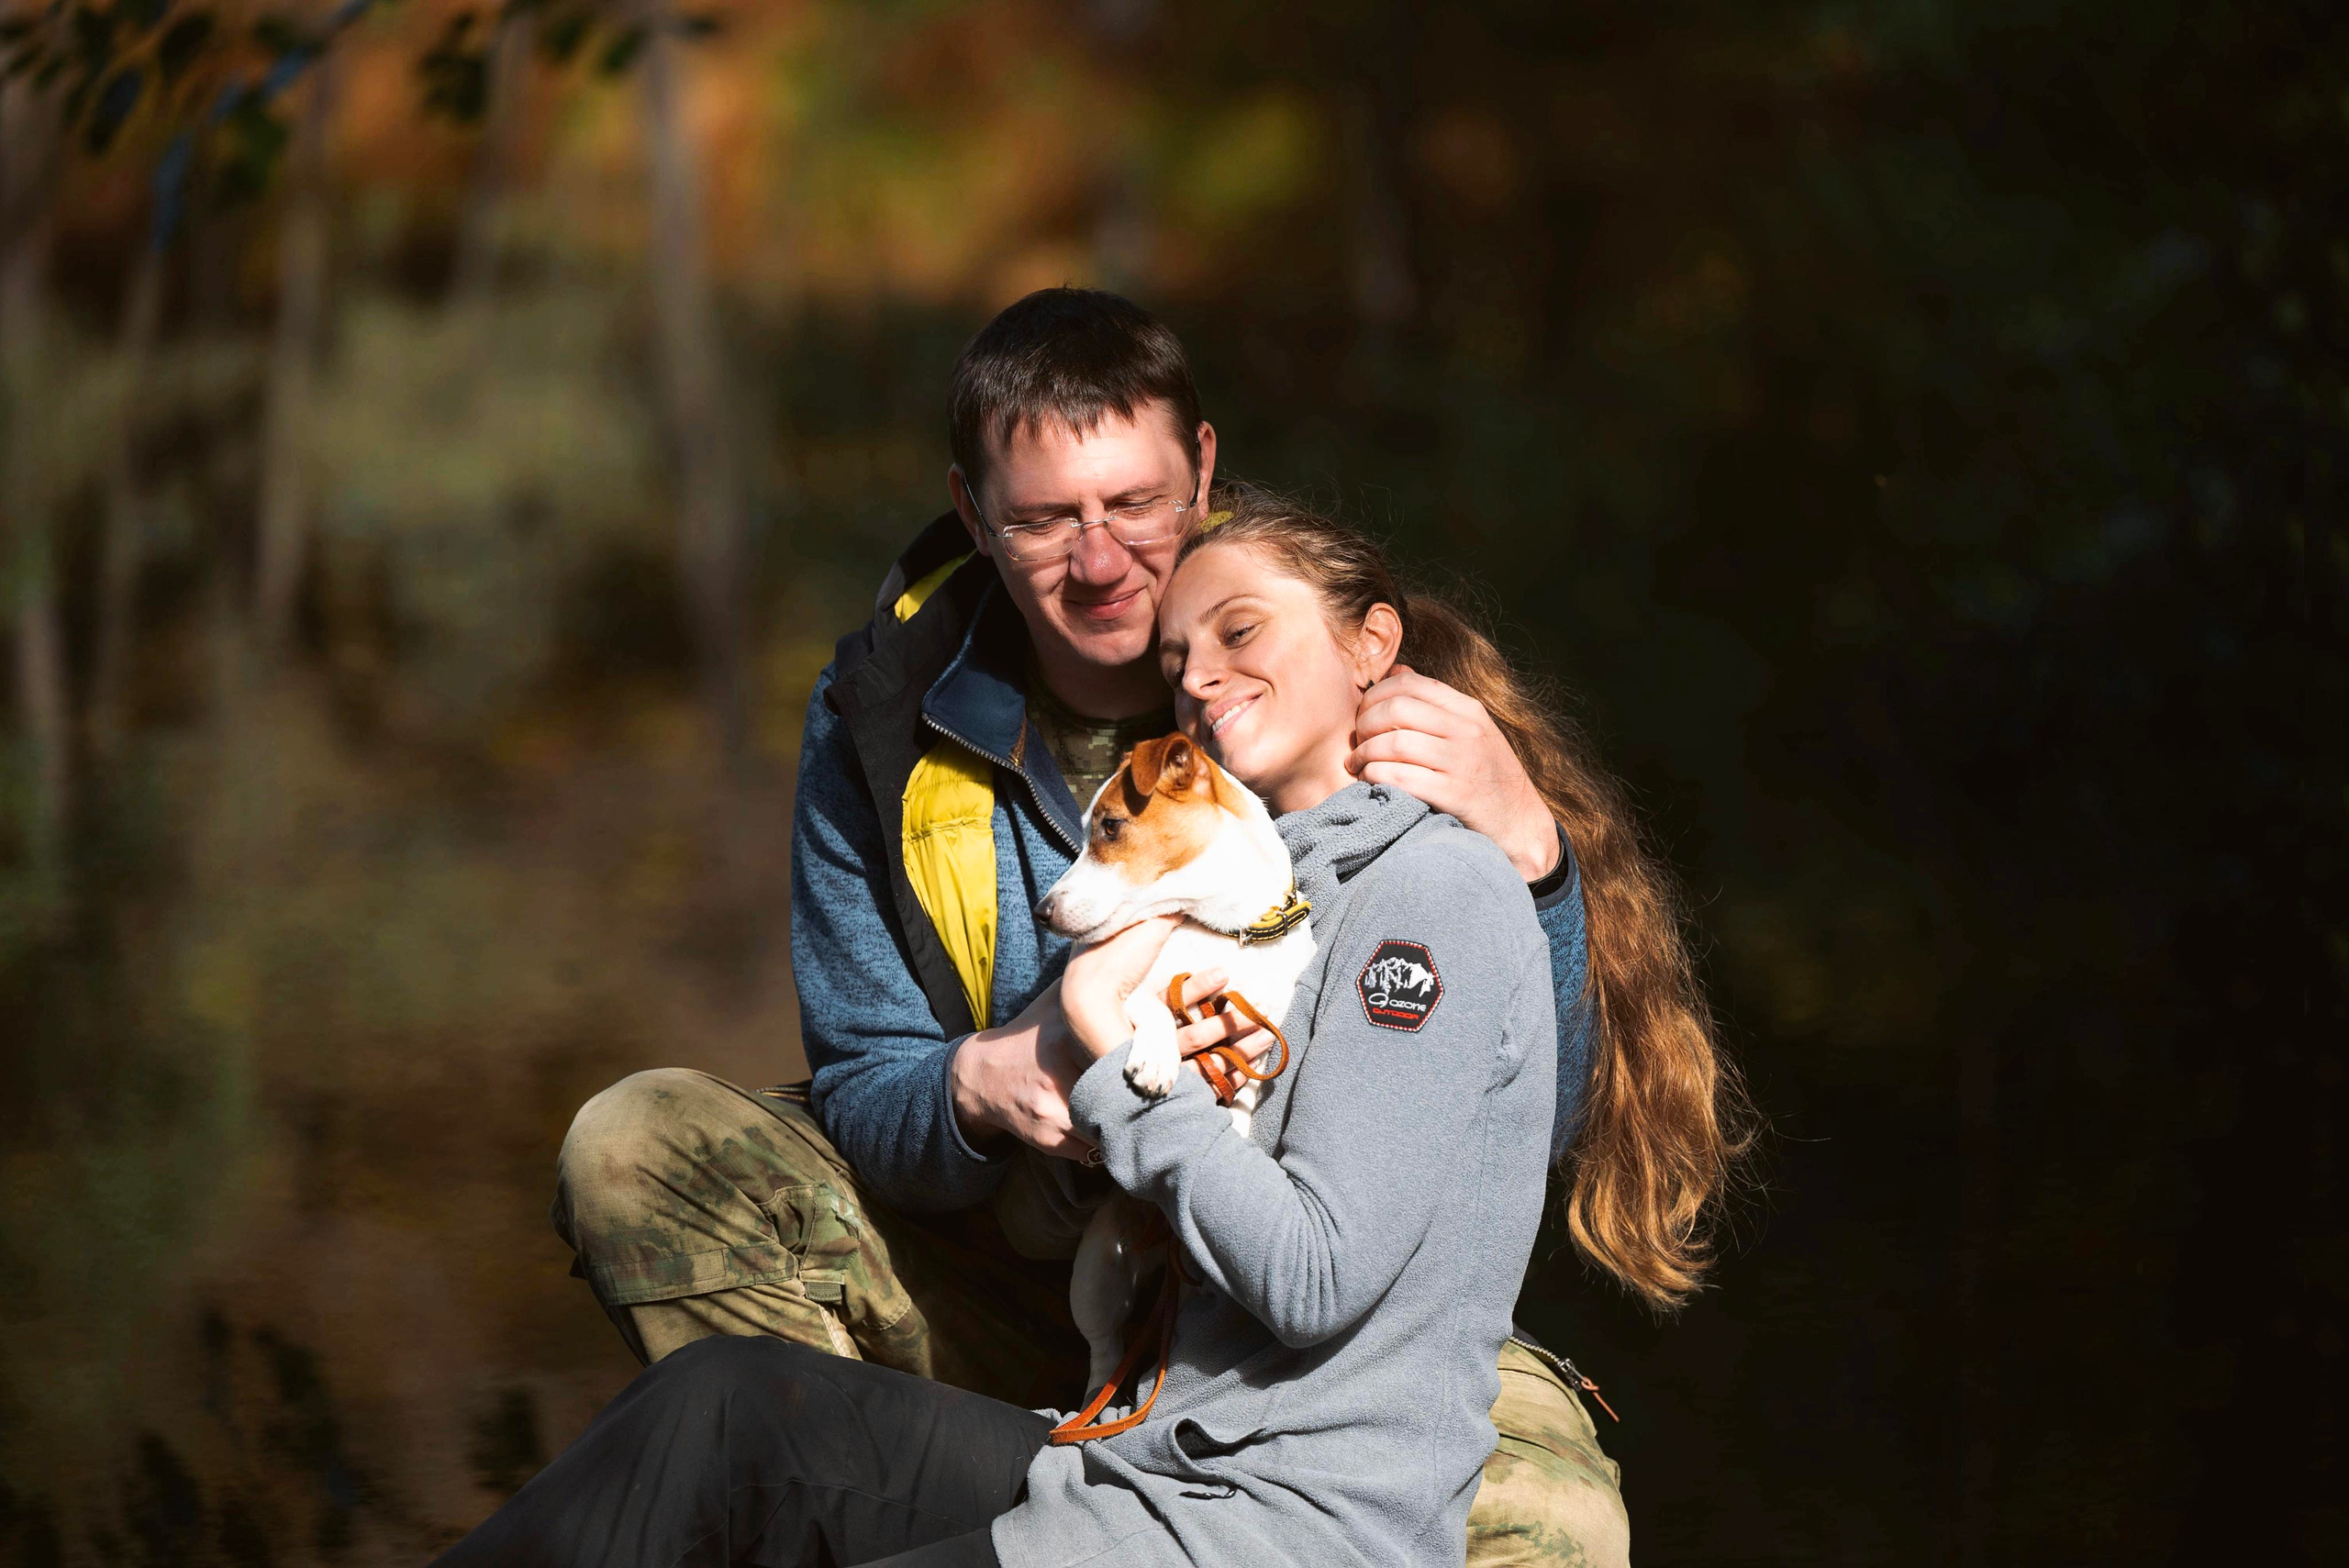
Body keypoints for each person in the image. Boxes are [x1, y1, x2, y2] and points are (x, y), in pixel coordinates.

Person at [547, 291, 1729, 1562]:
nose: (1102, 561)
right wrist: (975, 1085)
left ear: (1203, 473)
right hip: (1017, 1258)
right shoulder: (876, 718)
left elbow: (1519, 1129)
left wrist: (1538, 863)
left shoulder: (1316, 696)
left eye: (1136, 505)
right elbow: (864, 1088)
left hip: (1306, 1319)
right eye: (1044, 519)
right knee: (638, 1150)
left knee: (1556, 1526)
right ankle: (868, 1504)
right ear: (972, 513)